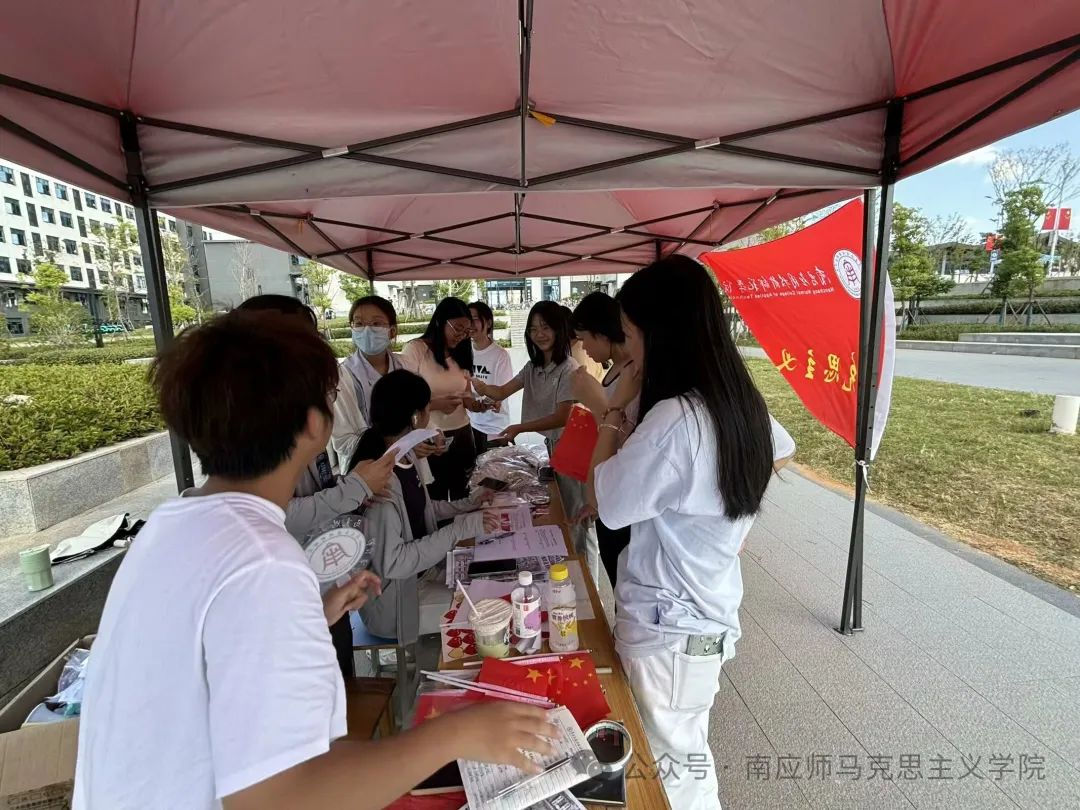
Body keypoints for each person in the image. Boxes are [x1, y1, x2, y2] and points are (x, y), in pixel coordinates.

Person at [74, 310, 555, 810]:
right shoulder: (262, 563)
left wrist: (309, 614)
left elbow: (201, 659)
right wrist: (457, 732)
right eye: (329, 396)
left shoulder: (171, 526)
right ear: (312, 423)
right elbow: (282, 797)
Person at [585, 256, 795, 810]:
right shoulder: (736, 399)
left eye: (629, 334)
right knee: (686, 759)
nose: (626, 351)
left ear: (661, 332)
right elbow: (783, 449)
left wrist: (611, 413)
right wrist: (729, 521)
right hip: (702, 619)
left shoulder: (677, 420)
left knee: (671, 776)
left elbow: (601, 501)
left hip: (670, 631)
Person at [236, 294, 396, 679]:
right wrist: (354, 488)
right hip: (300, 603)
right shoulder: (255, 446)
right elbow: (278, 513)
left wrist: (352, 490)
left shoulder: (291, 434)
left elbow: (313, 490)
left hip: (321, 592)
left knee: (340, 677)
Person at [348, 370, 499, 640]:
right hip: (397, 602)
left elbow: (424, 508)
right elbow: (394, 563)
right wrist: (459, 529)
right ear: (416, 417)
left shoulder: (406, 458)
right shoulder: (381, 482)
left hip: (423, 574)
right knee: (492, 610)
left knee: (494, 581)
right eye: (428, 408)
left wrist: (467, 504)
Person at [470, 301, 598, 575]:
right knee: (563, 510)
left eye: (545, 327)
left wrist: (520, 427)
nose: (539, 334)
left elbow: (562, 417)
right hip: (554, 445)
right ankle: (572, 567)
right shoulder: (533, 366)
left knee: (578, 516)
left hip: (573, 448)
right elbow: (501, 391)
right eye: (533, 328)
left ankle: (588, 580)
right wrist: (478, 386)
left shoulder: (568, 368)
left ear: (559, 329)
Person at [569, 291, 637, 587]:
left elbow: (629, 440)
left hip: (627, 498)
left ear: (602, 332)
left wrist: (597, 402)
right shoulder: (615, 371)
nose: (583, 347)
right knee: (618, 585)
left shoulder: (635, 373)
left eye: (584, 339)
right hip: (607, 490)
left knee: (626, 586)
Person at [400, 298, 477, 500]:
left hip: (462, 434)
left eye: (466, 331)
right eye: (457, 328)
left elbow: (467, 395)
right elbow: (403, 398)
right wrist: (435, 404)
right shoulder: (416, 349)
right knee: (435, 497)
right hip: (430, 438)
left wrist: (479, 404)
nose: (461, 335)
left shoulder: (461, 351)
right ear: (440, 321)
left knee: (464, 496)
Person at [467, 300, 514, 455]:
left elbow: (502, 393)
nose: (470, 324)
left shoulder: (500, 355)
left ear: (488, 322)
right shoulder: (464, 353)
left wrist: (484, 403)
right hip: (471, 426)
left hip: (494, 429)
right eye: (467, 319)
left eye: (474, 319)